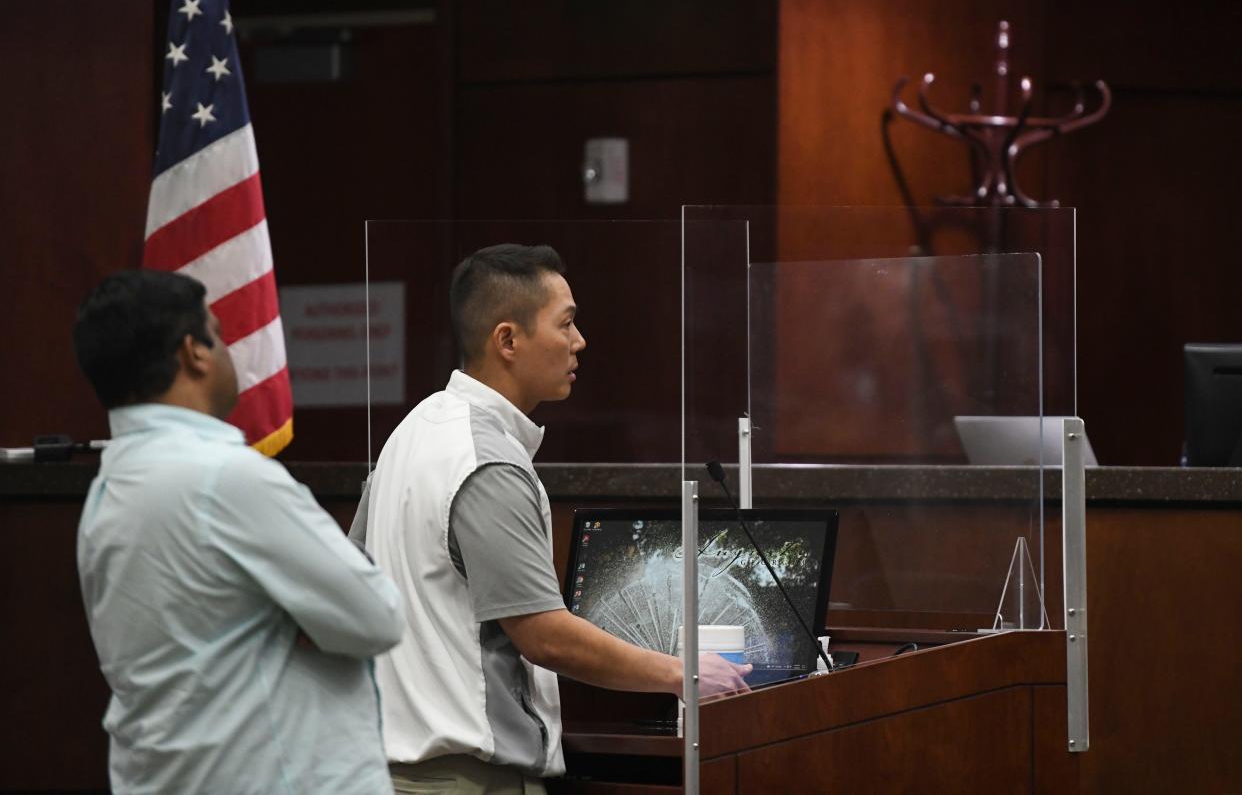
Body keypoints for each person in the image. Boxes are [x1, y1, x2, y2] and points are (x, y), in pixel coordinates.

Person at [352, 244, 751, 793]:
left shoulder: (409, 434)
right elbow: (544, 637)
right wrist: (683, 673)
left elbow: (357, 585)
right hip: (468, 778)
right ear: (508, 340)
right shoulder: (485, 460)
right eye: (566, 323)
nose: (579, 341)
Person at [73, 270, 405, 795]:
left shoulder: (106, 491)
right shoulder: (226, 476)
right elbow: (379, 616)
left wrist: (292, 614)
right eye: (220, 332)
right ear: (193, 353)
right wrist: (298, 611)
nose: (231, 350)